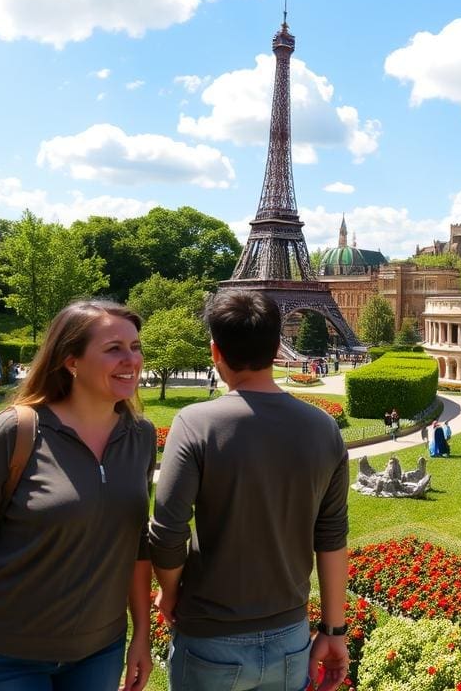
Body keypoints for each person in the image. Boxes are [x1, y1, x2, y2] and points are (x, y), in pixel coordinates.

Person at [0, 300, 155, 691]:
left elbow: (137, 543)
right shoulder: (16, 431)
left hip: (99, 650)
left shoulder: (139, 436)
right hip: (4, 654)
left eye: (135, 347)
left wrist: (141, 632)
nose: (132, 360)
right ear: (70, 361)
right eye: (114, 349)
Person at [150, 290, 349, 691]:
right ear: (278, 348)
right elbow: (330, 538)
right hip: (290, 637)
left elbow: (168, 532)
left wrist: (170, 592)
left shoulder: (195, 424)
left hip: (209, 636)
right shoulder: (322, 427)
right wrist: (334, 628)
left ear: (215, 351)